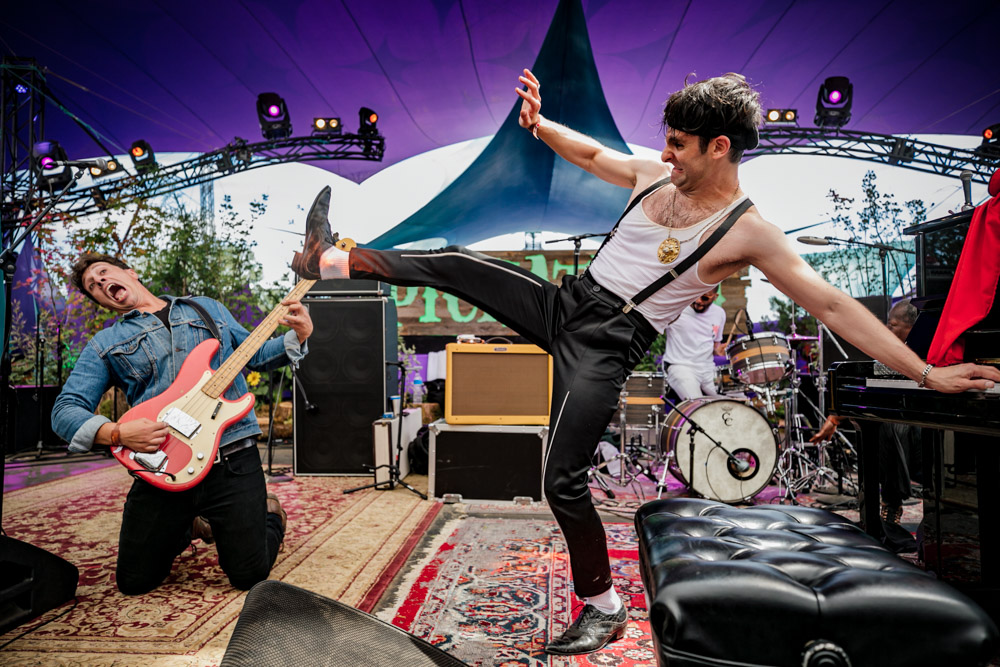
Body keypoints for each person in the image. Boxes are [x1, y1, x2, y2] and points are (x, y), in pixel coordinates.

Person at [291, 69, 1000, 656]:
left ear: (719, 147)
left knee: (559, 477)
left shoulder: (748, 232)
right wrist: (539, 128)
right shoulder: (653, 180)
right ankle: (328, 258)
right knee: (451, 261)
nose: (665, 155)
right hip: (568, 303)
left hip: (605, 347)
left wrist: (925, 372)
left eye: (678, 145)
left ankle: (602, 603)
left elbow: (835, 306)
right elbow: (593, 156)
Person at [51, 252, 313, 595]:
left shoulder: (206, 308)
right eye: (92, 286)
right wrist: (117, 432)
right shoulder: (104, 344)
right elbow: (65, 410)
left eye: (103, 273)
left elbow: (258, 355)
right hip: (164, 467)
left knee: (250, 576)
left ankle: (270, 515)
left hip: (232, 457)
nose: (100, 282)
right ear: (100, 301)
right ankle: (189, 523)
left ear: (129, 272)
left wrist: (300, 336)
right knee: (134, 582)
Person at [810, 298, 923, 525]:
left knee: (891, 428)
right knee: (882, 423)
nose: (888, 330)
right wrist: (834, 418)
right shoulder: (893, 351)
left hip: (924, 415)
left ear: (912, 327)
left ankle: (893, 502)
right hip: (905, 414)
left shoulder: (925, 348)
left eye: (892, 325)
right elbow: (874, 385)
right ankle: (886, 504)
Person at [662, 286, 727, 399]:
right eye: (695, 296)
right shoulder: (676, 309)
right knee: (697, 405)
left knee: (735, 401)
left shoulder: (719, 313)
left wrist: (720, 350)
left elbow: (715, 345)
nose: (698, 301)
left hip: (708, 370)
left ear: (715, 297)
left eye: (705, 298)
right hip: (680, 366)